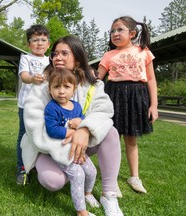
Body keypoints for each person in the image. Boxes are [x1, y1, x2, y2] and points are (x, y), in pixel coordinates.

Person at [21, 35, 124, 216]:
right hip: (50, 145)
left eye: (64, 53)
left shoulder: (92, 84)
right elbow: (34, 125)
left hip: (82, 141)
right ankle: (65, 170)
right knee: (53, 181)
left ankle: (109, 195)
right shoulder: (43, 84)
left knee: (111, 132)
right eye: (55, 54)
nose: (57, 57)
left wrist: (84, 129)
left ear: (77, 58)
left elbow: (104, 109)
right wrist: (68, 149)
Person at [97, 16, 158, 194]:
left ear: (132, 33)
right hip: (113, 96)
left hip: (136, 97)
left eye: (119, 30)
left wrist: (153, 105)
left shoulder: (144, 52)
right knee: (111, 138)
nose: (115, 34)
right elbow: (97, 78)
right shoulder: (108, 55)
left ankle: (134, 177)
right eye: (112, 31)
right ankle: (111, 178)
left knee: (131, 138)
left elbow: (152, 79)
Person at [44, 68, 99, 216]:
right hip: (61, 151)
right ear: (50, 89)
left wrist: (80, 122)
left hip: (77, 150)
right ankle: (81, 211)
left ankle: (87, 193)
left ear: (74, 89)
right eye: (56, 87)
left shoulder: (77, 106)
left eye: (66, 87)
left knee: (91, 171)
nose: (61, 91)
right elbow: (52, 130)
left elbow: (83, 122)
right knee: (78, 174)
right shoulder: (51, 108)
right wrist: (74, 132)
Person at [16, 24, 50, 185]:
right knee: (24, 136)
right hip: (26, 106)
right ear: (29, 44)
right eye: (35, 40)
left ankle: (37, 165)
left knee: (41, 136)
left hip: (44, 105)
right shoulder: (26, 58)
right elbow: (24, 76)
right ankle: (22, 169)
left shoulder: (50, 60)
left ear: (48, 44)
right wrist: (32, 79)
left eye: (43, 40)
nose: (39, 43)